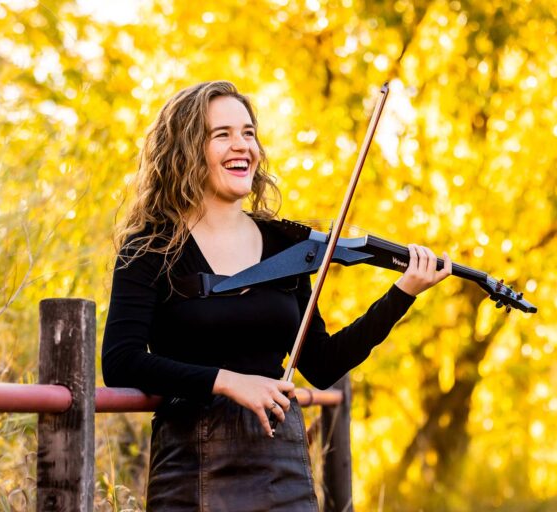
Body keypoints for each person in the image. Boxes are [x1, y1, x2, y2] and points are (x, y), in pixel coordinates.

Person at [101, 80, 451, 511]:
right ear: (187, 150)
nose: (242, 145)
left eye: (248, 133)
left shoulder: (286, 246)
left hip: (279, 464)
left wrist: (402, 294)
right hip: (190, 467)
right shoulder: (152, 249)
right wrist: (228, 382)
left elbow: (322, 365)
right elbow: (121, 362)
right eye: (222, 134)